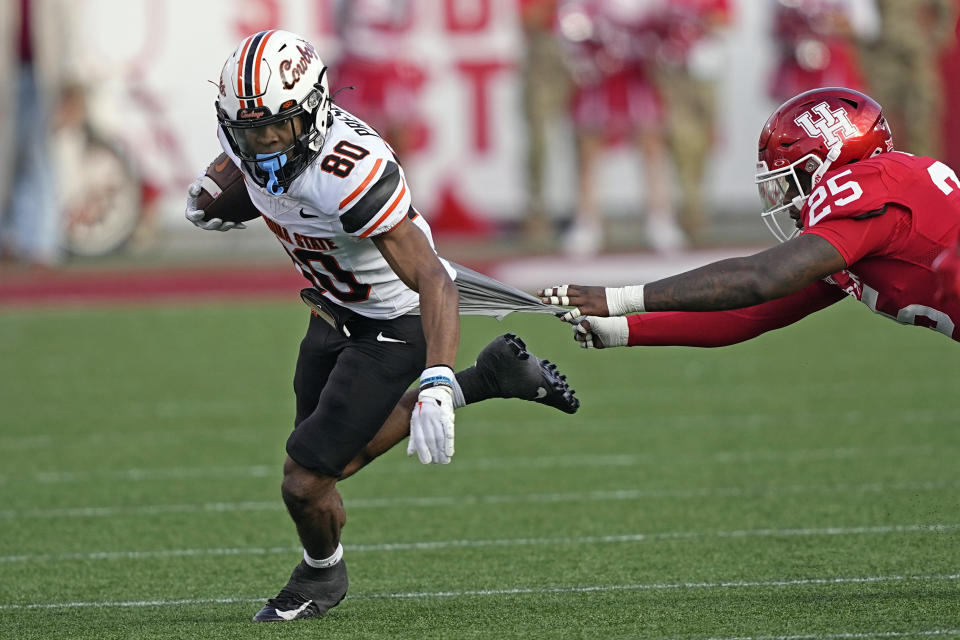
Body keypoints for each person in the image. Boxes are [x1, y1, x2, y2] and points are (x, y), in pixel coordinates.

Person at [185, 30, 580, 622]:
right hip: (332, 308)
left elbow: (435, 281)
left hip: (394, 321)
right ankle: (492, 376)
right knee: (319, 472)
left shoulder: (349, 170)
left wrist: (439, 376)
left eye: (277, 126)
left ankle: (320, 577)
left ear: (313, 108)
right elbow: (257, 171)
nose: (264, 143)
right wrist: (222, 196)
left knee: (305, 482)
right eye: (251, 129)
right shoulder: (248, 139)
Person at [538, 87, 960, 347]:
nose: (792, 198)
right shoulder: (876, 205)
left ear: (827, 164)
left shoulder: (869, 187)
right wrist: (622, 330)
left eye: (794, 180)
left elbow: (761, 277)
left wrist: (617, 298)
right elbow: (750, 312)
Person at [557, 0, 683, 257]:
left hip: (638, 75)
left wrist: (661, 47)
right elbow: (571, 25)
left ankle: (660, 220)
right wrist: (587, 53)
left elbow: (668, 26)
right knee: (590, 150)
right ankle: (587, 222)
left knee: (651, 146)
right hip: (600, 79)